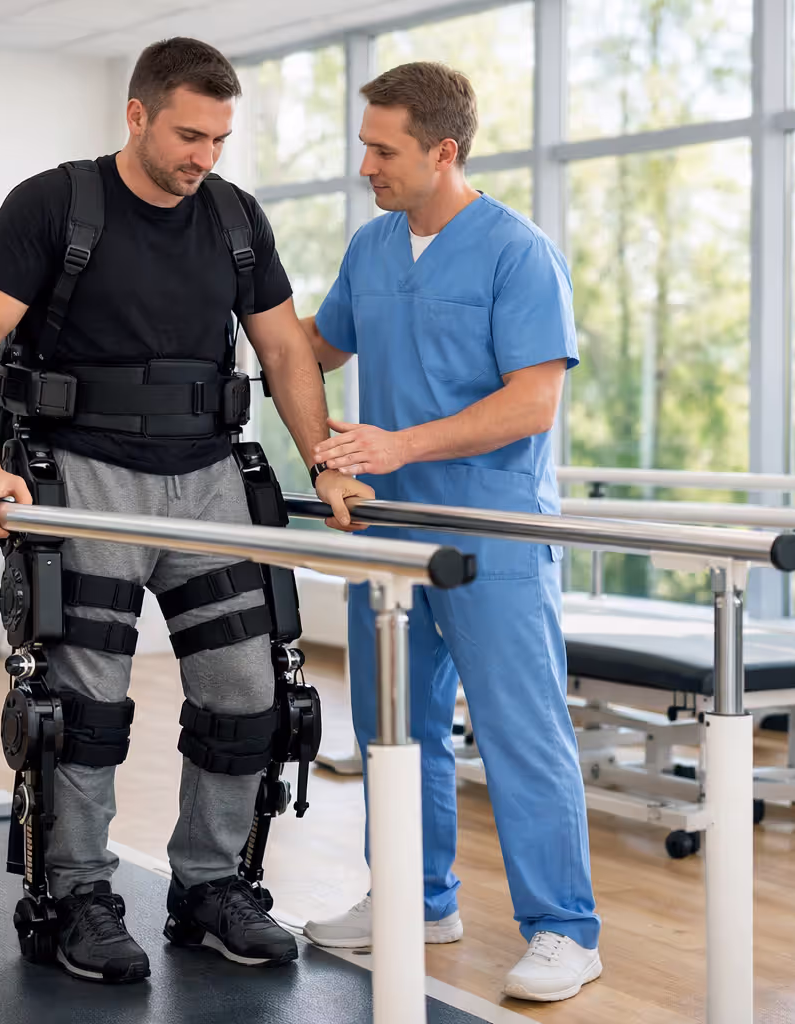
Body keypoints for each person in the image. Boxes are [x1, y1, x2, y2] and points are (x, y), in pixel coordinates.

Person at [0, 37, 371, 985]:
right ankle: (76, 897)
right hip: (85, 476)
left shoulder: (236, 218)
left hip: (210, 479)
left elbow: (285, 351)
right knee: (85, 706)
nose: (203, 156)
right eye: (187, 135)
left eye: (219, 139)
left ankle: (211, 887)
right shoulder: (55, 203)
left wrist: (326, 462)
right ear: (136, 115)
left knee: (247, 694)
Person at [296, 61, 601, 1003]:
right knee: (396, 731)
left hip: (490, 529)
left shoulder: (518, 252)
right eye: (364, 147)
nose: (366, 166)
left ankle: (564, 930)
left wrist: (396, 445)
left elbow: (532, 402)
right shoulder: (372, 248)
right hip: (388, 532)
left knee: (520, 731)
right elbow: (313, 346)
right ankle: (414, 901)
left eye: (382, 151)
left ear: (442, 150)